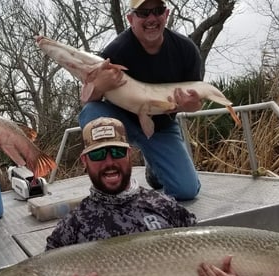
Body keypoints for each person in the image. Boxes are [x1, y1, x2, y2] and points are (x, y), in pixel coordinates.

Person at [34, 117, 279, 276]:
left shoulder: (163, 204)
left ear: (130, 155)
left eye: (117, 151)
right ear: (85, 161)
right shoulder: (71, 228)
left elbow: (211, 264)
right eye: (98, 154)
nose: (109, 162)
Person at [78, 0, 204, 201]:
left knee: (186, 191)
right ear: (130, 19)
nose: (152, 18)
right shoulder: (115, 52)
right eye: (143, 13)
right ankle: (111, 186)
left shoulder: (186, 50)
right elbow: (87, 103)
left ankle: (154, 168)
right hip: (121, 124)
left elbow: (196, 101)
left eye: (157, 11)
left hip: (161, 127)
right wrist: (100, 85)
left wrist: (192, 105)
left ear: (166, 14)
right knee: (92, 111)